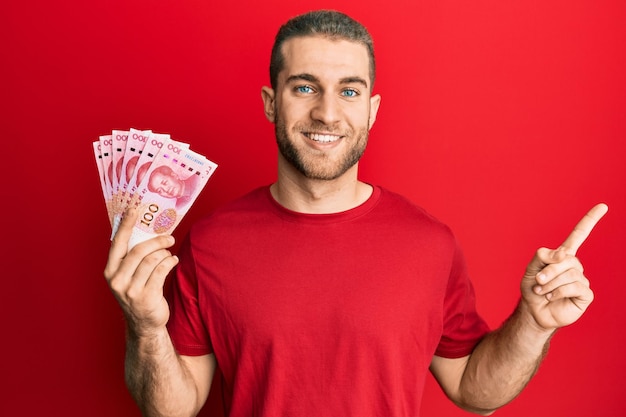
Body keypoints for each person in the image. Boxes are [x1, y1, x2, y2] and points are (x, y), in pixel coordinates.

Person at [104, 10, 608, 417]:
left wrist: (535, 324)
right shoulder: (209, 243)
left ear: (372, 109)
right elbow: (173, 408)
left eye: (349, 90)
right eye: (304, 87)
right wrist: (145, 328)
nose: (327, 111)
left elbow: (473, 391)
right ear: (269, 103)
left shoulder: (429, 245)